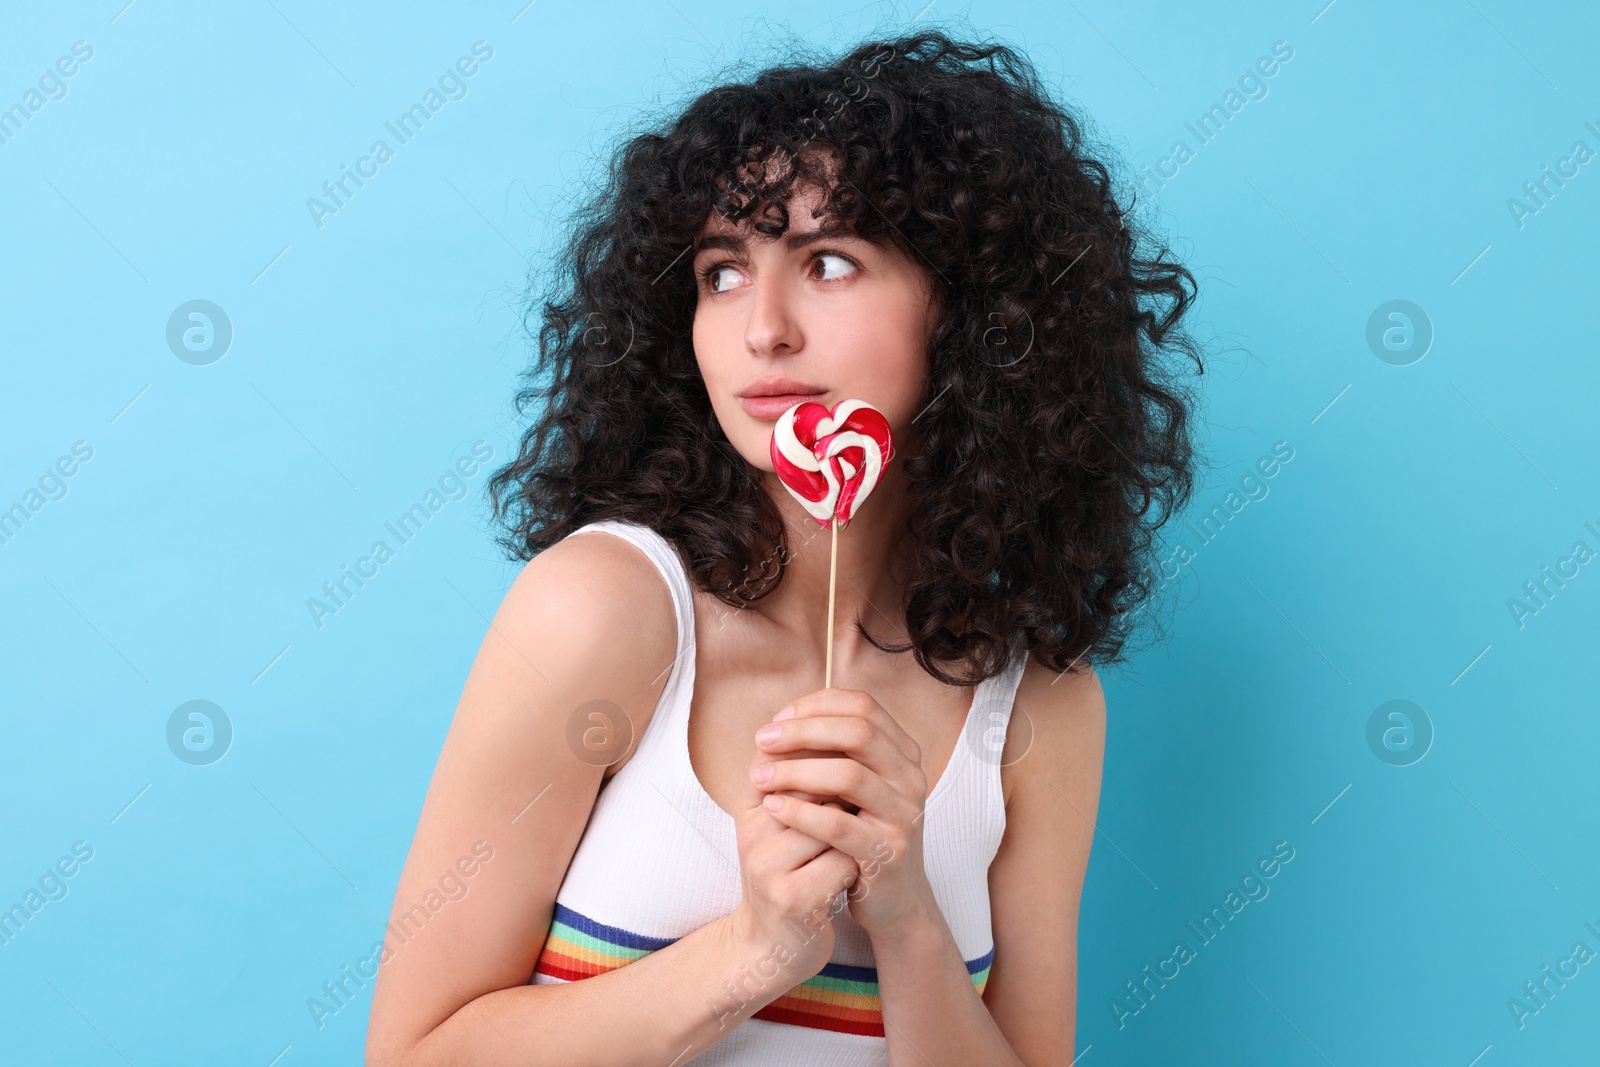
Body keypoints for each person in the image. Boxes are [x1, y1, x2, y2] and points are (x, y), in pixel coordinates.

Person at [366, 28, 1203, 1067]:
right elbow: (413, 1053)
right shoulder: (603, 612)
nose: (761, 327)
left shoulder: (1039, 704)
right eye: (722, 272)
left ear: (978, 311)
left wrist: (904, 916)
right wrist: (756, 950)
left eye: (829, 261)